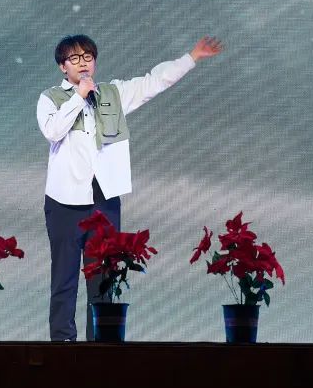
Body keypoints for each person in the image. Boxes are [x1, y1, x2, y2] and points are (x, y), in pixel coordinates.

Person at [36, 34, 224, 341]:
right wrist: (79, 97)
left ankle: (100, 345)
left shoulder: (113, 93)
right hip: (65, 201)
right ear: (62, 66)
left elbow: (154, 82)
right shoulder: (50, 99)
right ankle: (62, 342)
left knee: (103, 277)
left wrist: (191, 57)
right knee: (64, 278)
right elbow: (53, 131)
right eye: (75, 58)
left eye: (88, 57)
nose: (83, 63)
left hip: (104, 199)